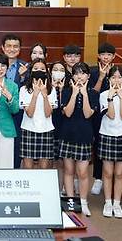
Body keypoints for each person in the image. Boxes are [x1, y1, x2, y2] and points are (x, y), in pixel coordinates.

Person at [58, 62, 98, 217]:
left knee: (82, 172)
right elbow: (67, 113)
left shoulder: (93, 93)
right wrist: (75, 93)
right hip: (67, 135)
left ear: (88, 76)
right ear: (72, 76)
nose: (79, 76)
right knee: (68, 170)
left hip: (84, 136)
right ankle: (71, 202)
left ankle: (83, 201)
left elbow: (88, 114)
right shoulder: (66, 91)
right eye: (76, 73)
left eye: (83, 73)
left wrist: (85, 93)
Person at [98, 66, 122, 219]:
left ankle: (117, 203)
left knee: (119, 173)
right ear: (109, 79)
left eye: (119, 77)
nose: (116, 80)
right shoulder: (103, 95)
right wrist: (110, 98)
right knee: (107, 172)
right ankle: (108, 202)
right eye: (113, 77)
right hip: (107, 134)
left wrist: (121, 97)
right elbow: (112, 115)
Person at [0, 34, 27, 169]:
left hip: (17, 115)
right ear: (3, 48)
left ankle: (13, 173)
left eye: (15, 46)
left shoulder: (26, 68)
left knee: (15, 147)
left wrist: (22, 78)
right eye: (8, 46)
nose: (12, 49)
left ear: (20, 49)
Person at [89, 43, 116, 196]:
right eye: (103, 54)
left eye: (109, 54)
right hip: (97, 115)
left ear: (113, 56)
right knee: (99, 145)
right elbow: (93, 93)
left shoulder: (117, 71)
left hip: (115, 115)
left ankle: (111, 179)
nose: (106, 57)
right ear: (98, 56)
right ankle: (98, 178)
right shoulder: (92, 71)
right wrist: (100, 77)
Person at [20, 59, 57, 170]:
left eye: (42, 69)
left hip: (46, 130)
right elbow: (30, 113)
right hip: (28, 129)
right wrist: (35, 95)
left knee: (44, 168)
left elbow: (48, 114)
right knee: (28, 167)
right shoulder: (24, 89)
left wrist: (45, 95)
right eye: (36, 69)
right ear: (31, 71)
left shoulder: (52, 90)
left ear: (47, 71)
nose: (39, 71)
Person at [50, 61, 68, 194]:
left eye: (61, 69)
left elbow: (64, 109)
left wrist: (61, 91)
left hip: (63, 128)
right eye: (55, 69)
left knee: (61, 162)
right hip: (48, 127)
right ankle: (49, 188)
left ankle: (60, 190)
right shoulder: (45, 86)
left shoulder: (68, 88)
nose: (58, 71)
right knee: (48, 161)